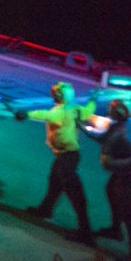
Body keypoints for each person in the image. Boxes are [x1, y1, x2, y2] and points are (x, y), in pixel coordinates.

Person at [15, 82, 98, 245]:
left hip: (67, 156)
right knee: (55, 183)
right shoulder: (76, 109)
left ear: (59, 96)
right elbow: (89, 112)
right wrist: (93, 99)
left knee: (74, 193)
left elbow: (44, 115)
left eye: (55, 94)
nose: (53, 96)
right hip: (68, 155)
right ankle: (46, 209)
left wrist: (27, 115)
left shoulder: (60, 112)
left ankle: (85, 232)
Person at [83, 99, 131, 261]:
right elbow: (106, 139)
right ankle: (115, 230)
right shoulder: (121, 126)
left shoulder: (128, 132)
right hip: (122, 173)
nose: (109, 112)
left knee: (128, 210)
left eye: (112, 109)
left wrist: (110, 163)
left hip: (128, 174)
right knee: (111, 193)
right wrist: (83, 128)